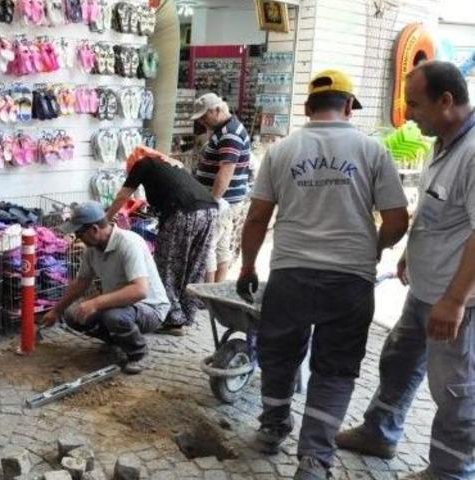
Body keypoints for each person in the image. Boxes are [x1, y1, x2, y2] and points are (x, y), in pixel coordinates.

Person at [236, 69, 409, 479]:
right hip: (349, 280)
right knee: (335, 367)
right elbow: (398, 220)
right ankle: (314, 460)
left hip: (290, 274)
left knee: (278, 357)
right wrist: (373, 246)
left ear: (307, 108)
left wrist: (246, 265)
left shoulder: (281, 152)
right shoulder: (372, 150)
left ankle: (274, 425)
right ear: (348, 106)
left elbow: (258, 216)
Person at [335, 61, 475, 480]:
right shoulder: (446, 141)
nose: (408, 114)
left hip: (457, 298)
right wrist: (411, 253)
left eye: (415, 104)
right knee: (399, 358)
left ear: (446, 101)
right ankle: (380, 431)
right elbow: (444, 209)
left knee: (455, 387)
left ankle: (452, 471)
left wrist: (454, 300)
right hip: (426, 289)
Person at [41, 202, 171, 374]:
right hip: (120, 305)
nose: (78, 238)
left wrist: (96, 303)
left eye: (79, 233)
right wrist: (57, 311)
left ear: (94, 229)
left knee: (114, 317)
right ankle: (116, 341)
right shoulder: (92, 249)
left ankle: (137, 353)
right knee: (73, 315)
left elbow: (140, 290)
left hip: (150, 307)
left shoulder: (129, 244)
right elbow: (81, 282)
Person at [105, 146, 218, 335]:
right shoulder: (169, 164)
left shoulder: (142, 164)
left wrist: (107, 218)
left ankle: (172, 319)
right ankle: (187, 313)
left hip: (182, 212)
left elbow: (123, 196)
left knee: (167, 265)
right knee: (194, 265)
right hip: (209, 211)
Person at [191, 92, 251, 282]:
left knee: (207, 245)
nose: (201, 121)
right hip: (227, 201)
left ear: (216, 110)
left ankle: (207, 292)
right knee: (220, 246)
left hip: (222, 201)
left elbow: (226, 171)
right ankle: (216, 289)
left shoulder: (229, 134)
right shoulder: (226, 130)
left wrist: (213, 200)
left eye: (204, 116)